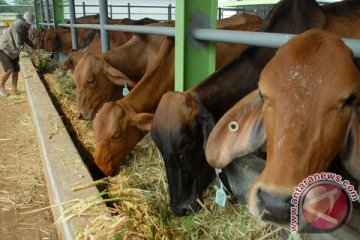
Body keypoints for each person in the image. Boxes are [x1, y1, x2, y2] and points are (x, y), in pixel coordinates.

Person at [0, 12, 36, 96]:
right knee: (10, 69)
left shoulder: (25, 28)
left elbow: (26, 39)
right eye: (29, 24)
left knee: (16, 70)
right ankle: (1, 86)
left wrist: (34, 47)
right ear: (24, 21)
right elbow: (19, 45)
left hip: (13, 50)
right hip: (4, 49)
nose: (30, 26)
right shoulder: (17, 28)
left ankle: (14, 89)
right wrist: (31, 51)